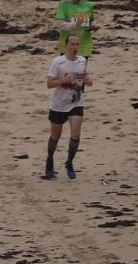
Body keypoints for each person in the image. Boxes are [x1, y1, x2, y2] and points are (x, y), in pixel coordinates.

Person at [44, 34, 90, 179]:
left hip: (76, 102)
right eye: (72, 44)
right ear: (66, 46)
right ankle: (50, 161)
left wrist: (87, 80)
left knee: (75, 134)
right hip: (59, 104)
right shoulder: (57, 62)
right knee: (55, 137)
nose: (75, 47)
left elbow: (84, 75)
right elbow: (49, 84)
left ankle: (69, 163)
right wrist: (63, 80)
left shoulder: (82, 60)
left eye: (77, 45)